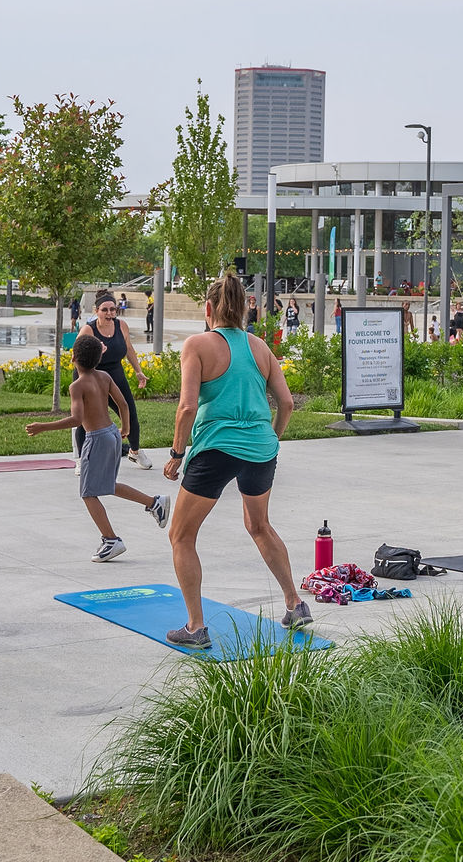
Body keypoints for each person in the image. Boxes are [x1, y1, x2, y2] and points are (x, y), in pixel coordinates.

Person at [161, 274, 310, 649]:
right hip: (261, 449)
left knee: (181, 535)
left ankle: (196, 628)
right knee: (259, 526)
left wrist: (177, 454)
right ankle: (295, 603)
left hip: (217, 448)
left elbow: (187, 407)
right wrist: (272, 438)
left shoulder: (197, 345)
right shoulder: (260, 347)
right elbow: (288, 403)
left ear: (208, 309)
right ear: (245, 309)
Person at [26, 335, 171, 562]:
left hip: (97, 439)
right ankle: (154, 503)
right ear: (99, 356)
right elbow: (123, 404)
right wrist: (125, 428)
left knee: (88, 493)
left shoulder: (77, 386)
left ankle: (110, 539)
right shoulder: (104, 376)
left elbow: (76, 420)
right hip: (112, 433)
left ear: (73, 357)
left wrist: (42, 427)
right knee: (108, 486)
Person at [85, 292, 154, 470]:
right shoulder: (89, 330)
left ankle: (135, 452)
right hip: (94, 376)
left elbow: (129, 348)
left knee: (130, 413)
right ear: (96, 311)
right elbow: (77, 356)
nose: (109, 313)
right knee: (86, 418)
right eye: (105, 310)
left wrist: (138, 371)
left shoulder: (121, 325)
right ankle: (82, 460)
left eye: (112, 309)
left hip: (115, 374)